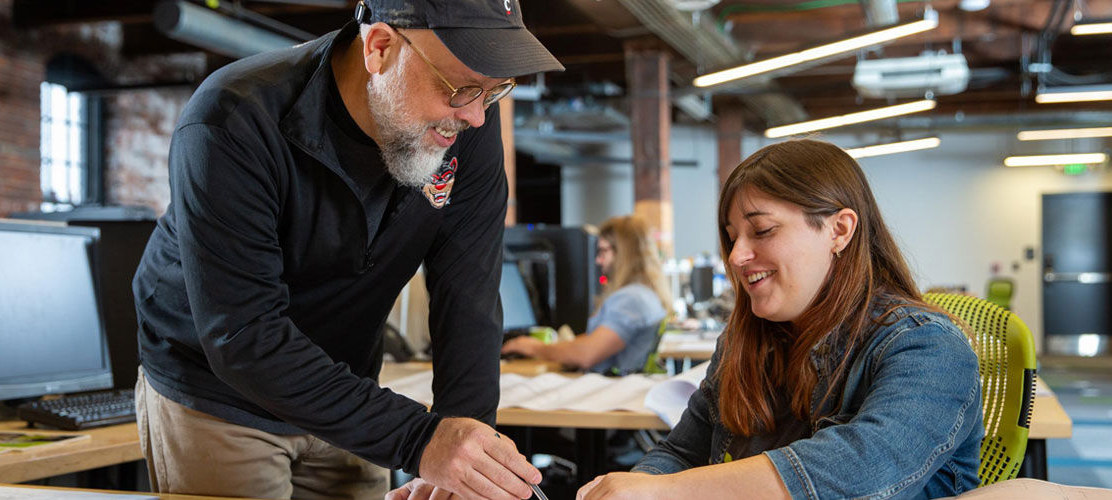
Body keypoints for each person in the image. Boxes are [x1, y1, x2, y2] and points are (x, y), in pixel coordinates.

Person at [131, 1, 564, 499]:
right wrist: (421, 440)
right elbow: (243, 333)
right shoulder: (233, 119)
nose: (474, 116)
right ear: (380, 48)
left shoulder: (467, 128)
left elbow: (469, 297)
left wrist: (465, 450)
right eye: (460, 88)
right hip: (220, 391)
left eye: (492, 92)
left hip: (347, 389)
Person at [576, 139, 984, 500]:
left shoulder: (929, 347)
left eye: (763, 230)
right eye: (732, 236)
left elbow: (860, 469)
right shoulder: (746, 341)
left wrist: (662, 491)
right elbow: (683, 452)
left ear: (839, 230)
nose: (736, 256)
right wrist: (636, 488)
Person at [501, 215, 673, 374]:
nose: (598, 260)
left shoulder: (631, 299)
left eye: (603, 252)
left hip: (610, 390)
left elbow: (587, 355)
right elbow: (595, 341)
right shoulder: (645, 295)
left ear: (623, 253)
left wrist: (534, 348)